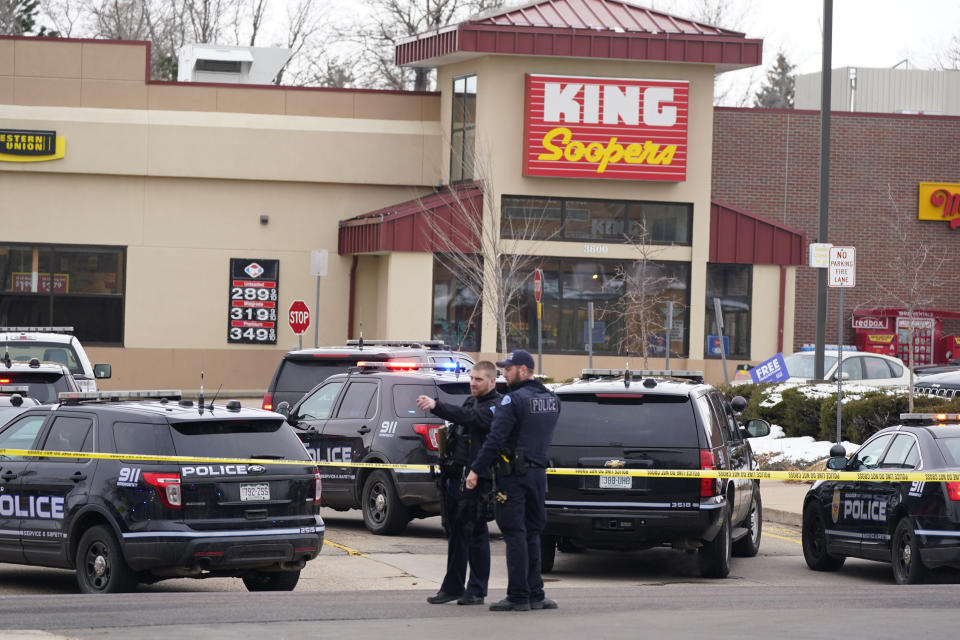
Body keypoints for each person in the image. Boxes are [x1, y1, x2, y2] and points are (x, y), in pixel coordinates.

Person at [465, 349, 560, 612]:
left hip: (513, 477)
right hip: (538, 475)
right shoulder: (551, 399)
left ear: (524, 370)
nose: (504, 374)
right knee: (532, 533)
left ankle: (519, 595)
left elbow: (495, 441)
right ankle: (536, 593)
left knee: (515, 533)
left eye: (509, 369)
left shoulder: (512, 401)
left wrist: (475, 470)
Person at [416, 360, 500, 606]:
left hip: (477, 480)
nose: (473, 383)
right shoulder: (471, 401)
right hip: (455, 476)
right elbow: (462, 423)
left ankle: (476, 590)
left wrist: (437, 406)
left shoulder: (495, 406)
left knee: (476, 533)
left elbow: (472, 419)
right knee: (455, 533)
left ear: (492, 381)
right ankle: (452, 586)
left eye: (479, 379)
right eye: (472, 378)